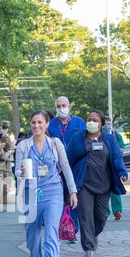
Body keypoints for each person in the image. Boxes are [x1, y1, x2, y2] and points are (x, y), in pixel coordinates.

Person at [15, 110, 77, 257]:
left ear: (47, 124)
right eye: (33, 122)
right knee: (32, 234)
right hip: (31, 193)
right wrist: (22, 174)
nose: (36, 126)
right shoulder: (23, 146)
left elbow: (65, 167)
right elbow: (17, 173)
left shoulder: (55, 144)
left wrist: (72, 190)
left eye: (40, 122)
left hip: (53, 192)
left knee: (51, 234)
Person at [67, 109, 128, 257]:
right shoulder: (78, 138)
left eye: (95, 120)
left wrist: (122, 172)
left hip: (104, 184)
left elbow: (116, 157)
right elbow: (69, 160)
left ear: (101, 123)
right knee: (86, 217)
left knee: (101, 217)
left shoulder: (109, 139)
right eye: (89, 120)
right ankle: (88, 249)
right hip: (84, 185)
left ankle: (92, 236)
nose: (91, 123)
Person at [48, 96, 86, 243]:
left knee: (74, 195)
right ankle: (62, 226)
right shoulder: (50, 125)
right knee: (60, 198)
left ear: (69, 106)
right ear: (55, 107)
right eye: (59, 106)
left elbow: (85, 141)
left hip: (77, 166)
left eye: (64, 105)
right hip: (58, 167)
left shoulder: (79, 122)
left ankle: (73, 229)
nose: (61, 108)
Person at [102, 116, 126, 220]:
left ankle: (117, 211)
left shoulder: (116, 135)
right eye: (105, 124)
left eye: (108, 123)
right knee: (103, 191)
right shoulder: (99, 135)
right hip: (102, 168)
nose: (107, 126)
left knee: (115, 190)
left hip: (113, 167)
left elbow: (121, 150)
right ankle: (105, 212)